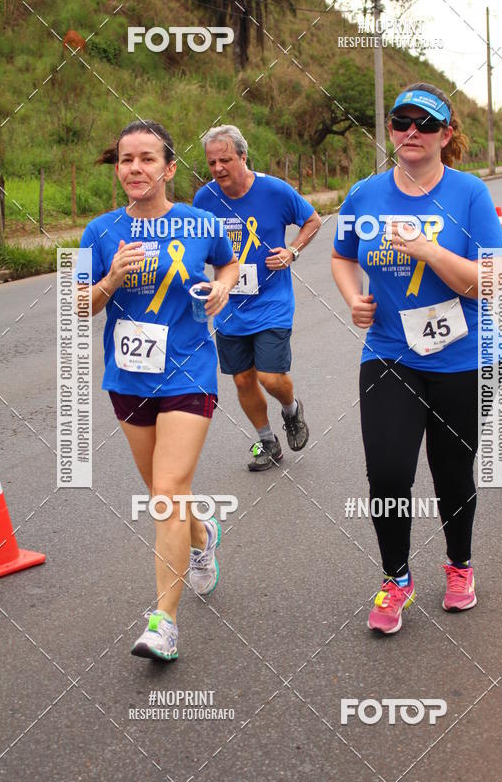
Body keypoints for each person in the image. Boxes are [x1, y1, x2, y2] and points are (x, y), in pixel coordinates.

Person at [332, 83, 502, 635]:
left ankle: (459, 566)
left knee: (452, 471)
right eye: (401, 121)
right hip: (389, 353)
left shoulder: (470, 194)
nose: (412, 131)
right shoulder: (363, 195)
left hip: (461, 358)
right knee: (386, 471)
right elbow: (340, 254)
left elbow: (490, 283)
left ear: (445, 135)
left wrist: (430, 250)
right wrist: (353, 298)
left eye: (425, 124)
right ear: (389, 131)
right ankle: (396, 579)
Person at [79, 120, 238, 660]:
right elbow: (76, 306)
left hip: (190, 372)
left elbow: (230, 260)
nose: (135, 168)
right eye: (126, 160)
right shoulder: (97, 233)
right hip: (127, 377)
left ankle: (163, 622)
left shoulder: (200, 222)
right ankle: (202, 536)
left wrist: (222, 285)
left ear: (169, 169)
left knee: (167, 491)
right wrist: (110, 280)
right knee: (163, 492)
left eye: (147, 159)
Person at [193, 125, 322, 470]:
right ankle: (267, 441)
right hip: (230, 306)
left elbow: (312, 220)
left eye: (225, 160)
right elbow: (200, 246)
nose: (218, 168)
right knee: (242, 379)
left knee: (270, 376)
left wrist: (292, 251)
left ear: (243, 156)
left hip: (271, 303)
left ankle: (292, 410)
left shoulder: (275, 191)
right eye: (211, 162)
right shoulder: (205, 198)